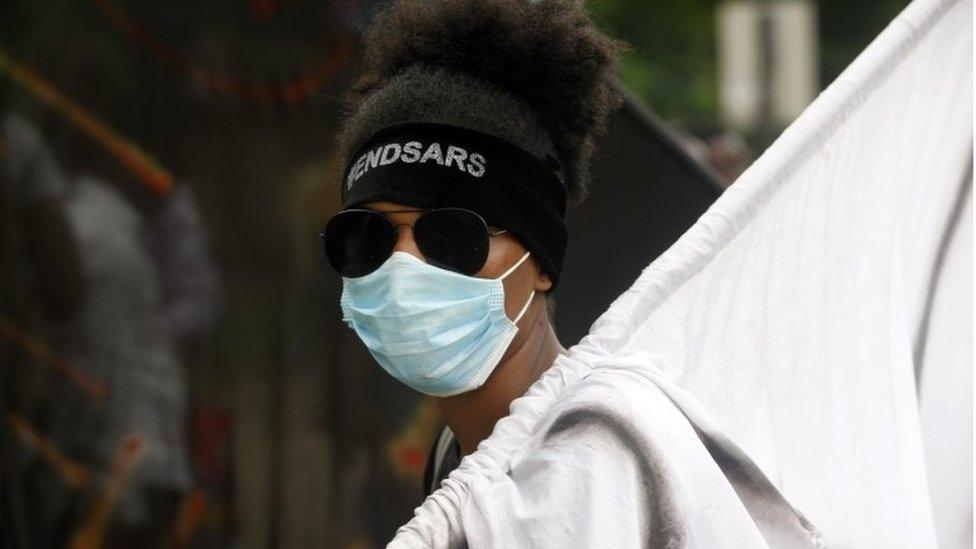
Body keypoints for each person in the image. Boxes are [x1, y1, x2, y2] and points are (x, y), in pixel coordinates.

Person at [322, 0, 821, 546]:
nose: (404, 265)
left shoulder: (596, 456)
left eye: (451, 238)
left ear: (537, 260)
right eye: (368, 238)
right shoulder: (467, 457)